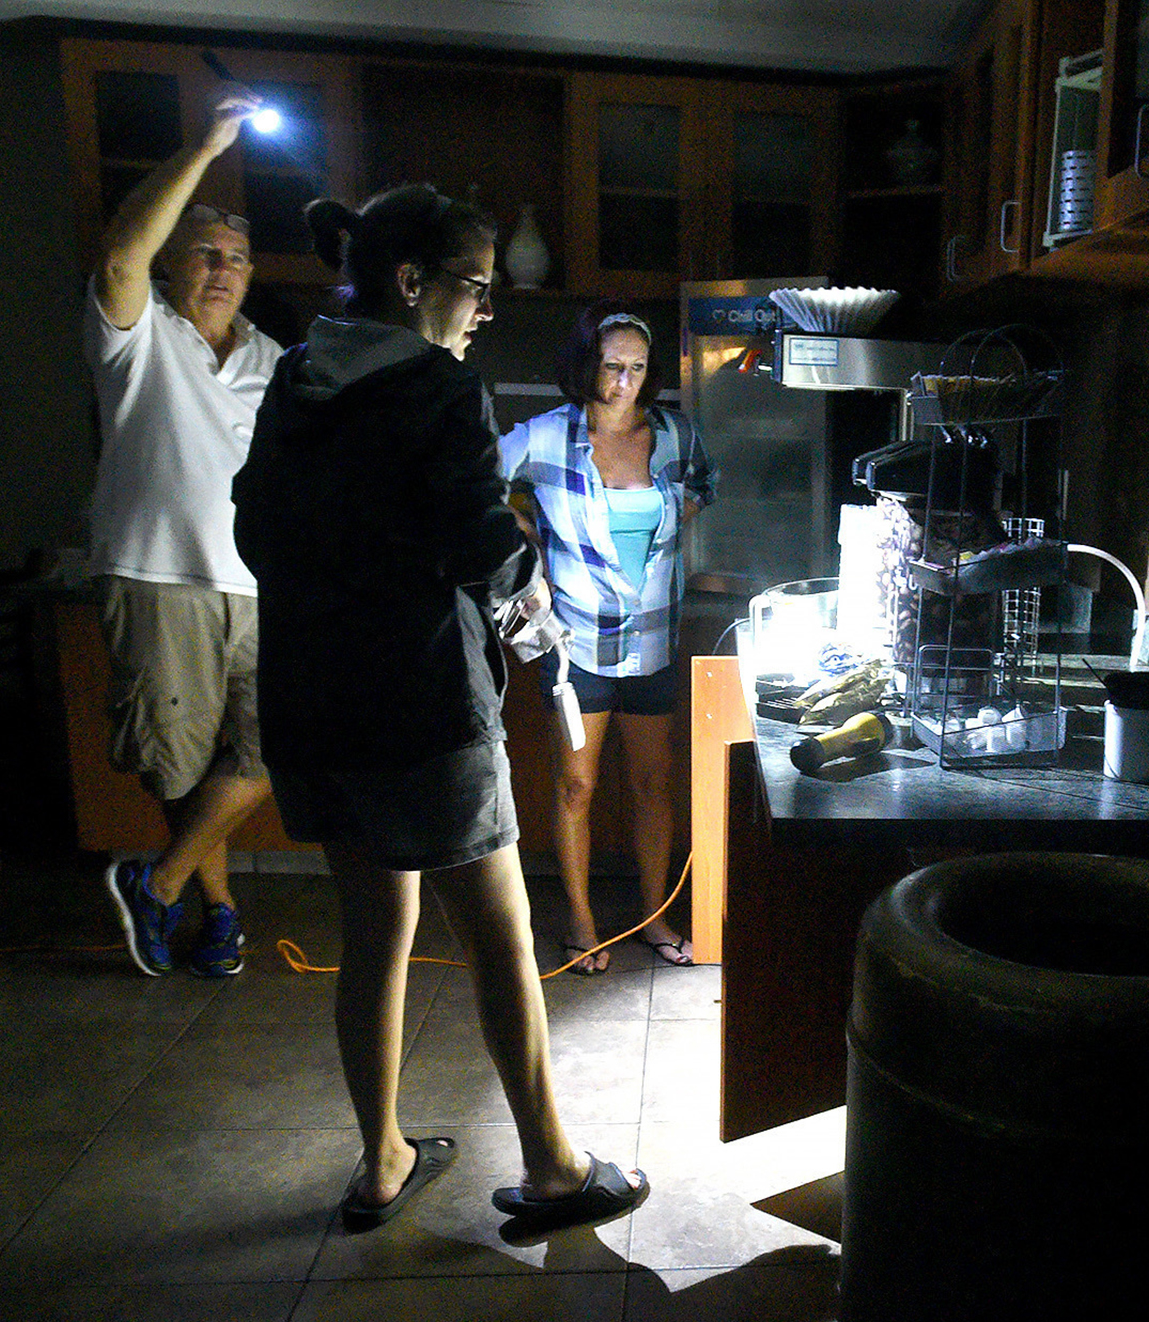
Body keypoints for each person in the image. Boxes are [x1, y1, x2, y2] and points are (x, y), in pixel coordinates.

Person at [232, 184, 648, 1231]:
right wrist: (531, 615)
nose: (485, 309)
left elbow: (252, 529)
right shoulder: (436, 387)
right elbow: (481, 545)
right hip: (419, 706)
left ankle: (381, 1161)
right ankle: (555, 1167)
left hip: (311, 704)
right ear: (410, 282)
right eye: (474, 285)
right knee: (501, 932)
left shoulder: (297, 377)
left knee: (374, 925)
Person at [85, 85, 282, 979]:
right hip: (159, 578)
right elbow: (123, 249)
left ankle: (157, 886)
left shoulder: (273, 359)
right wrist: (207, 146)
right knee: (178, 769)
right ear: (171, 264)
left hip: (259, 588)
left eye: (236, 256)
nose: (220, 266)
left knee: (270, 750)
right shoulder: (136, 333)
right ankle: (221, 916)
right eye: (202, 251)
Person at [497, 302, 715, 974]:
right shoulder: (544, 437)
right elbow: (476, 486)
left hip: (653, 641)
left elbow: (703, 488)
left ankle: (654, 918)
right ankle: (581, 923)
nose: (624, 380)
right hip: (575, 646)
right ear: (587, 365)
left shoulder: (676, 436)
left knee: (654, 783)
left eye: (637, 368)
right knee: (575, 787)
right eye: (612, 365)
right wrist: (527, 536)